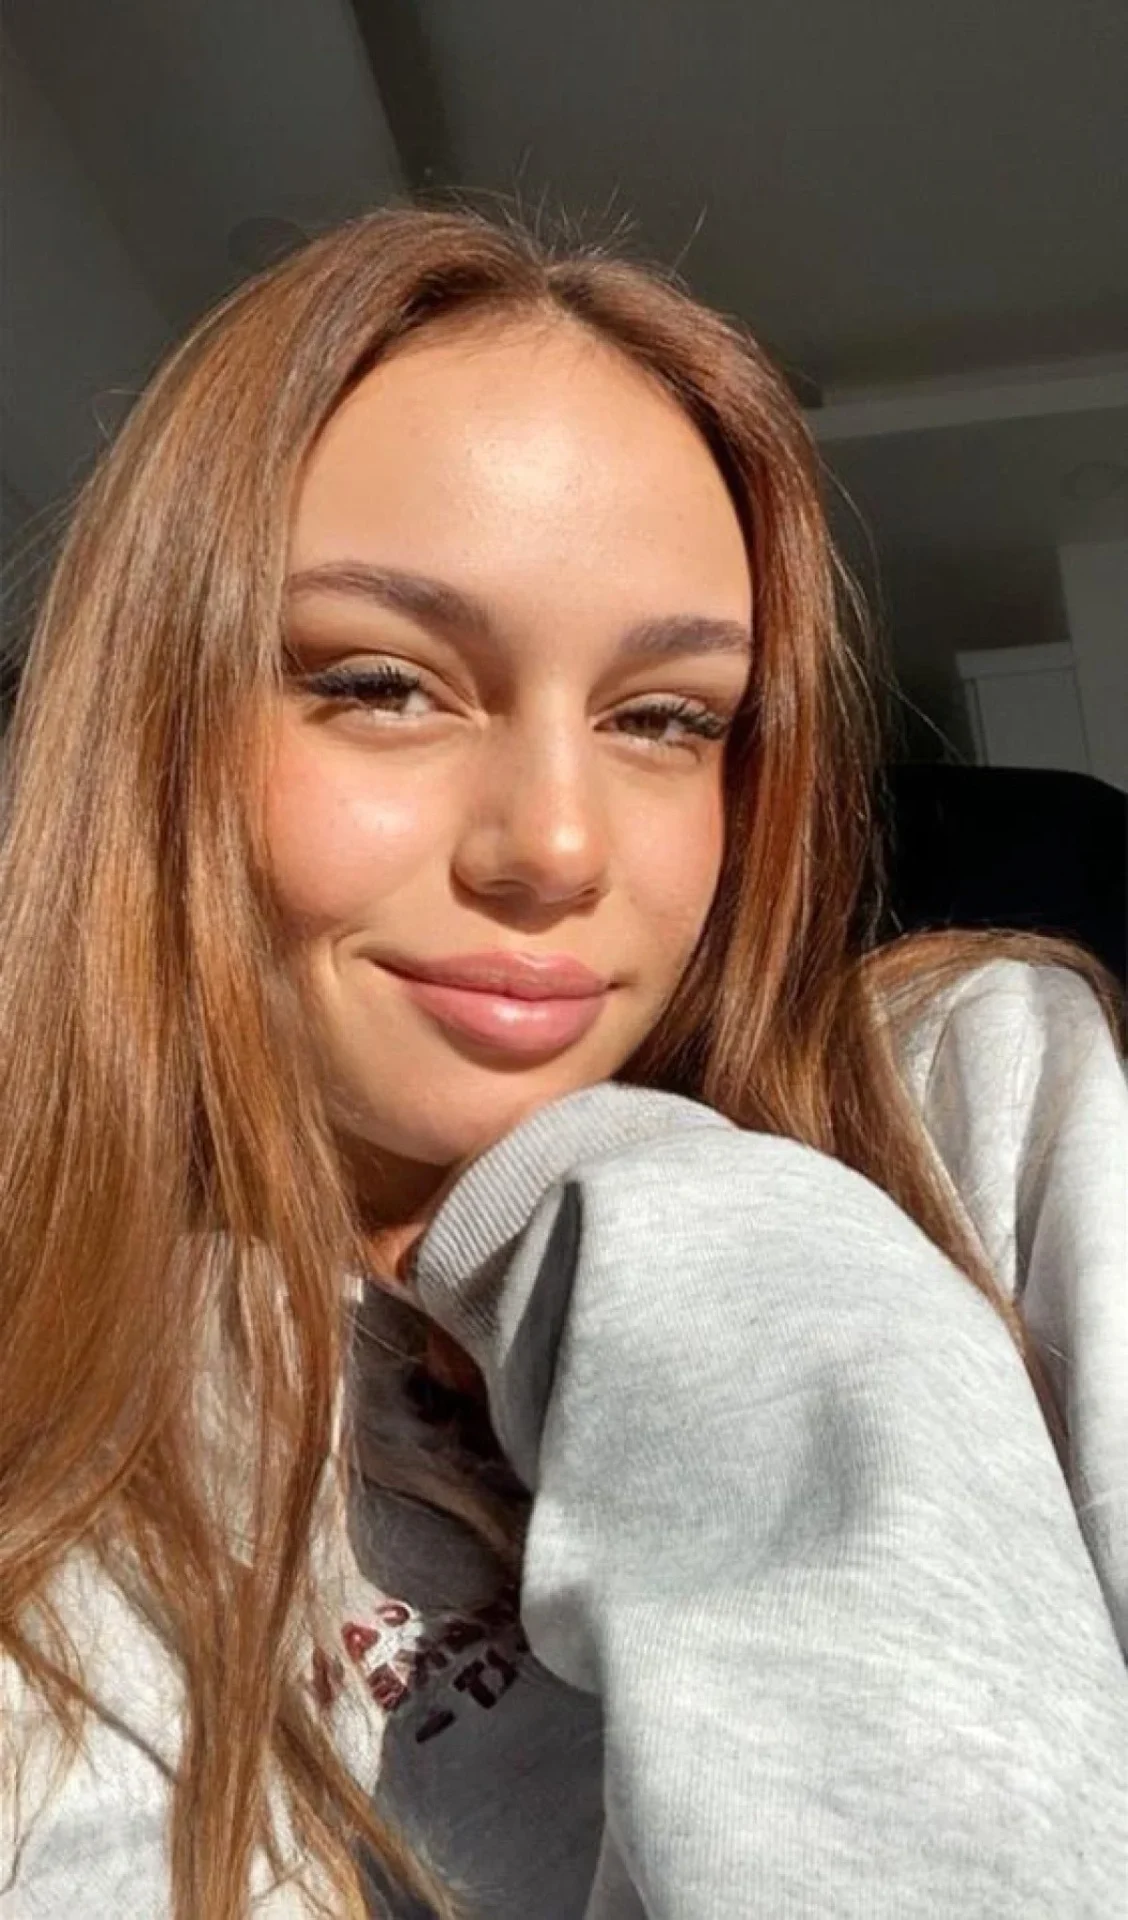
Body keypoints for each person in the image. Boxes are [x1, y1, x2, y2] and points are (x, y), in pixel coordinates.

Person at [1, 208, 1125, 1920]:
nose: (555, 846)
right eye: (383, 684)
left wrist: (686, 1222)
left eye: (667, 717)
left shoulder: (976, 1105)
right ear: (149, 735)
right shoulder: (49, 1420)